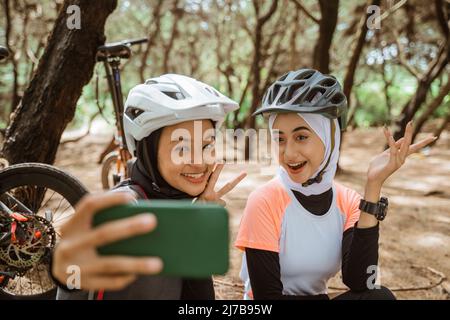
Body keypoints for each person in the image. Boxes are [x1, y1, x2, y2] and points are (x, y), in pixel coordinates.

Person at [234, 68, 436, 300]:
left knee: (379, 297)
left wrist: (373, 186)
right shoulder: (264, 200)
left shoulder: (347, 201)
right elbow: (266, 299)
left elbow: (361, 281)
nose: (288, 153)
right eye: (279, 139)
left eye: (301, 137)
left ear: (329, 137)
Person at [52, 74, 246, 299]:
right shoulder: (128, 210)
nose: (200, 161)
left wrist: (194, 224)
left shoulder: (173, 208)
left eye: (206, 145)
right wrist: (66, 270)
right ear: (149, 150)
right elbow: (73, 277)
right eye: (182, 148)